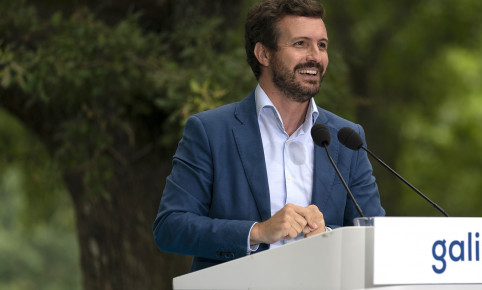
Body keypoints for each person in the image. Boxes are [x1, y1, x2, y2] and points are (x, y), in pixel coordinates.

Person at [153, 0, 385, 272]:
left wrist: (329, 235)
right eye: (301, 44)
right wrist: (258, 231)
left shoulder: (346, 138)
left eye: (322, 45)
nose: (316, 56)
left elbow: (375, 235)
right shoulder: (210, 131)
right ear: (263, 54)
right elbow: (170, 227)